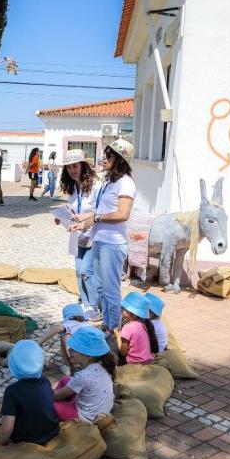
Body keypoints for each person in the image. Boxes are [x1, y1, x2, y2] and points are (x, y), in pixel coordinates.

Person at [73, 139, 137, 333]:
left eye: (108, 155)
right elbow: (101, 209)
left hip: (113, 244)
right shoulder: (109, 181)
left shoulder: (125, 183)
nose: (103, 158)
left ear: (119, 159)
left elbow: (122, 214)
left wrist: (96, 218)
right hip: (100, 241)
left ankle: (114, 330)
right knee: (101, 288)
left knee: (111, 291)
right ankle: (107, 326)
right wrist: (85, 218)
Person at [0, 340, 59, 446]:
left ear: (13, 365)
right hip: (51, 432)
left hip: (26, 439)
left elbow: (8, 427)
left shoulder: (12, 391)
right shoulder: (45, 382)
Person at [56, 149, 101, 320]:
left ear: (83, 166)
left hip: (93, 234)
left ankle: (94, 308)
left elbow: (101, 211)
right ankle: (85, 303)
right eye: (69, 168)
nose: (72, 170)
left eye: (75, 166)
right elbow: (74, 210)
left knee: (86, 271)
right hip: (77, 236)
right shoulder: (73, 188)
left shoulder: (96, 186)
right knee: (78, 272)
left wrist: (86, 217)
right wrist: (63, 218)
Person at [52, 327, 116, 422]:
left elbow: (56, 395)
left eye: (74, 349)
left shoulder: (83, 376)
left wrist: (46, 391)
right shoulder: (102, 365)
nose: (69, 351)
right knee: (66, 379)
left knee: (50, 404)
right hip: (101, 410)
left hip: (86, 418)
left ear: (89, 356)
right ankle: (64, 397)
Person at [35, 303, 88, 372]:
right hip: (91, 352)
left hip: (76, 353)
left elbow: (56, 329)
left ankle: (69, 365)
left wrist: (39, 342)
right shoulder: (86, 324)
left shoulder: (69, 323)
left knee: (63, 334)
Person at [116, 292, 158, 365]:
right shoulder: (144, 323)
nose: (121, 309)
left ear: (131, 312)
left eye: (123, 308)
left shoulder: (127, 327)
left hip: (135, 363)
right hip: (149, 360)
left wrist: (117, 336)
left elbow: (123, 352)